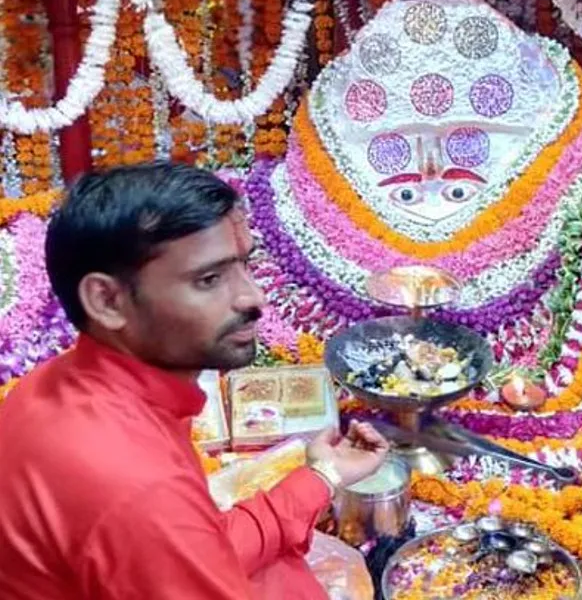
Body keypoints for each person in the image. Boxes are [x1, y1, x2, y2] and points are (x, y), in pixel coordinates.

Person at [0, 162, 389, 599]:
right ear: (107, 300)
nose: (253, 298)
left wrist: (323, 475)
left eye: (244, 265)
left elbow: (202, 545)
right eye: (209, 279)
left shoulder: (55, 385)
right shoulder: (135, 484)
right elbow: (167, 530)